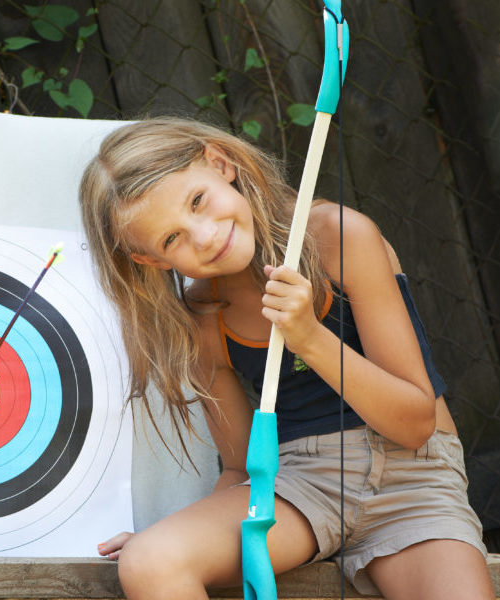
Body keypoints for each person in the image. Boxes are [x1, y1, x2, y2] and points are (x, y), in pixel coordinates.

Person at [78, 117, 492, 600]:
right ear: (150, 260)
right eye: (172, 239)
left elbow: (415, 422)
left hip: (413, 482)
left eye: (197, 201)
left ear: (220, 163)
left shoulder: (338, 237)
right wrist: (185, 539)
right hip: (299, 490)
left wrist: (310, 338)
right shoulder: (204, 314)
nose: (205, 236)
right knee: (151, 562)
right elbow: (238, 470)